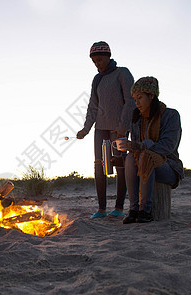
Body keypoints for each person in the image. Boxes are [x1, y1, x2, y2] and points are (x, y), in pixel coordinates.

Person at [76, 41, 136, 219]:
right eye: (94, 61)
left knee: (120, 166)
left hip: (118, 129)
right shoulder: (97, 79)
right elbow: (93, 106)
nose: (97, 64)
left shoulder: (122, 73)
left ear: (108, 57)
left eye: (100, 60)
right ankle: (101, 209)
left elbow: (130, 102)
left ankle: (118, 207)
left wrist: (123, 128)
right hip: (100, 129)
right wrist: (86, 128)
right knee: (99, 166)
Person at [119, 76, 184, 223]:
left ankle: (145, 210)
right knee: (130, 157)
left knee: (145, 156)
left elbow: (168, 146)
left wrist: (143, 146)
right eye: (134, 99)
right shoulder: (136, 119)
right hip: (142, 165)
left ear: (152, 95)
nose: (137, 103)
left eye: (140, 98)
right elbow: (135, 149)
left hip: (168, 167)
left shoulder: (171, 115)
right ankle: (134, 209)